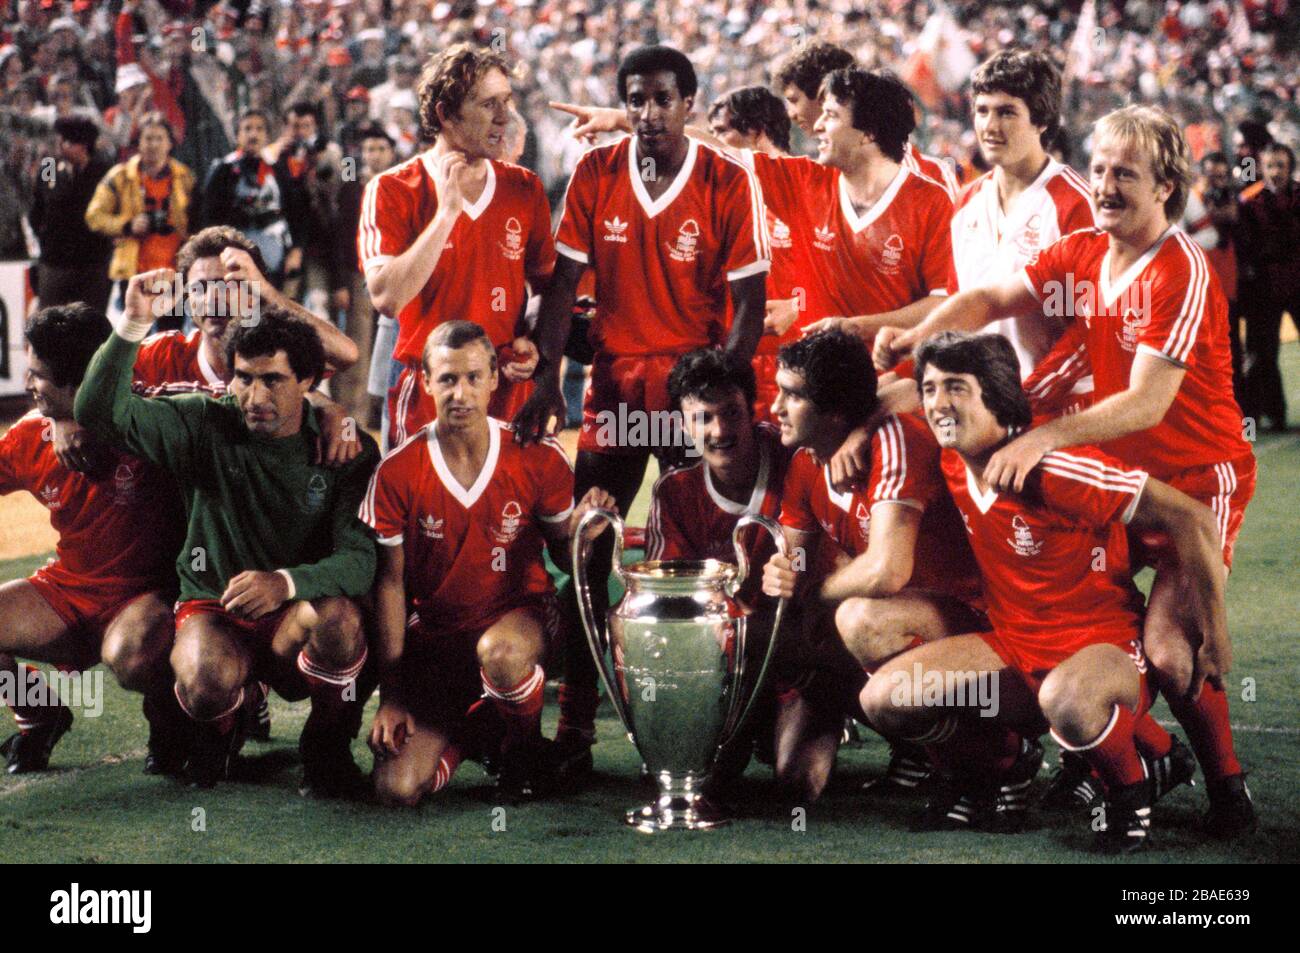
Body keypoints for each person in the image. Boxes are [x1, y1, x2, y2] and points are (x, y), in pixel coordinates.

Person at [876, 105, 1258, 837]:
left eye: (1126, 174)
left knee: (1177, 648)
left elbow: (1147, 402)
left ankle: (1225, 784)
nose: (1106, 185)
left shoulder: (1183, 270)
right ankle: (1128, 751)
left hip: (1195, 482)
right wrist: (920, 335)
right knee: (1086, 624)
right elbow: (988, 296)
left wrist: (1045, 435)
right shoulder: (1083, 250)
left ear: (1166, 186)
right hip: (1118, 471)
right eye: (1101, 168)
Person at [513, 44, 769, 781]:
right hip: (617, 390)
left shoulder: (727, 178)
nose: (647, 112)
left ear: (689, 103)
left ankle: (718, 720)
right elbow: (561, 288)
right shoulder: (596, 172)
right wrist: (547, 380)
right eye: (635, 99)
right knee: (589, 543)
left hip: (692, 391)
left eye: (662, 98)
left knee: (716, 556)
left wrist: (721, 392)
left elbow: (749, 303)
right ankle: (575, 726)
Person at [862, 331, 1219, 851]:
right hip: (1016, 651)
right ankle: (1000, 769)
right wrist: (855, 434)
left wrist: (1216, 635)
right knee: (885, 698)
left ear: (998, 394)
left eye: (956, 387)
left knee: (1066, 698)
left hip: (1107, 652)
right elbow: (883, 403)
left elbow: (1192, 517)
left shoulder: (1055, 466)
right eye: (931, 387)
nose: (938, 402)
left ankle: (1131, 789)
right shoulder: (953, 461)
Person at [74, 272, 380, 795]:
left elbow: (360, 561)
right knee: (202, 681)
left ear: (309, 381)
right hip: (216, 607)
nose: (253, 395)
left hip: (290, 614)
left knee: (343, 622)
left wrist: (283, 583)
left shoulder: (345, 451)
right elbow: (98, 412)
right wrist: (133, 322)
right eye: (242, 377)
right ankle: (217, 729)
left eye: (272, 380)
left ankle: (327, 747)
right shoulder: (204, 422)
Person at [361, 320, 611, 804]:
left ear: (495, 379)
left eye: (474, 377)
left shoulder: (537, 454)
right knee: (395, 789)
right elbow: (389, 587)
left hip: (519, 623)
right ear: (427, 381)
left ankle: (522, 749)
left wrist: (583, 528)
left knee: (500, 655)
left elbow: (563, 553)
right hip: (438, 643)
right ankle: (477, 735)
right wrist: (391, 695)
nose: (461, 393)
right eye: (448, 379)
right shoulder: (396, 472)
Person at [759, 329, 987, 802]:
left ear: (836, 410)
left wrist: (811, 593)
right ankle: (910, 742)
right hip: (907, 622)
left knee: (858, 618)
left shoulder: (897, 440)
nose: (776, 406)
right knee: (773, 636)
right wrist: (783, 574)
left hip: (973, 619)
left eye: (793, 395)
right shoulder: (805, 461)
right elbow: (796, 558)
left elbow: (886, 569)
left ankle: (991, 756)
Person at [0, 303, 181, 774]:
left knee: (132, 655)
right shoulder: (29, 437)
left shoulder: (154, 420)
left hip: (149, 600)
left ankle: (175, 722)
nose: (28, 384)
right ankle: (39, 713)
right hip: (68, 594)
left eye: (39, 375)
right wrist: (62, 417)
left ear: (78, 379)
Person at [360, 43, 556, 449]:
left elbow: (547, 287)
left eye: (507, 101)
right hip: (428, 394)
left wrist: (533, 339)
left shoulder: (524, 186)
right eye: (488, 105)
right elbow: (386, 296)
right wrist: (447, 213)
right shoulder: (393, 189)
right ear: (444, 115)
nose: (505, 117)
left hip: (503, 389)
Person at [707, 86, 813, 424]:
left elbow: (851, 280)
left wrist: (799, 308)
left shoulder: (812, 185)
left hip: (798, 366)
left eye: (722, 133)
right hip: (734, 362)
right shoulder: (719, 198)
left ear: (755, 132)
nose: (713, 145)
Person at [771, 40, 959, 200]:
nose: (791, 113)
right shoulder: (820, 176)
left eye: (794, 100)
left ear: (826, 94)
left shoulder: (929, 176)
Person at [85, 111, 196, 329]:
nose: (153, 144)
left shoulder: (184, 177)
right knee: (133, 339)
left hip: (173, 273)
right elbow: (94, 216)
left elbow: (197, 220)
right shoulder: (120, 175)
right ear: (138, 143)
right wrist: (127, 225)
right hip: (134, 273)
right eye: (147, 138)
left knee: (170, 339)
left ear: (169, 144)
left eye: (159, 138)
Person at [1238, 141, 1299, 433]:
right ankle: (1274, 414)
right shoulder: (1249, 201)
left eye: (1281, 166)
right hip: (1264, 289)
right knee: (1264, 354)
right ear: (1262, 168)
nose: (1276, 172)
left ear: (1290, 168)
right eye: (1271, 166)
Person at [199, 108, 299, 284]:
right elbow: (208, 217)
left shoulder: (278, 169)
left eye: (260, 129)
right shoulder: (223, 169)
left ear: (267, 136)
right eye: (247, 128)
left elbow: (296, 212)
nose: (253, 134)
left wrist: (296, 250)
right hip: (233, 260)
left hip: (274, 258)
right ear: (238, 135)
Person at [30, 115, 113, 312]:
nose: (59, 146)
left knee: (90, 320)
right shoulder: (49, 166)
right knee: (49, 318)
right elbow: (38, 206)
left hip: (92, 263)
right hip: (54, 261)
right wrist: (44, 237)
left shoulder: (103, 171)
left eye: (66, 141)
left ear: (82, 145)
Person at [1184, 151, 1244, 401]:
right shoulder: (1191, 198)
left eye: (1221, 174)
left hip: (1227, 283)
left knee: (1233, 349)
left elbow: (1232, 220)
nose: (1217, 179)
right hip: (1198, 286)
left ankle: (1243, 405)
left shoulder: (1236, 197)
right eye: (1212, 174)